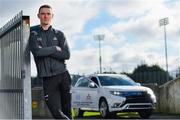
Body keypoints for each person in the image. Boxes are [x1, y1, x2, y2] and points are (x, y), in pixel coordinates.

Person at [29, 4, 72, 119]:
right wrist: (54, 49)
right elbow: (37, 52)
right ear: (38, 16)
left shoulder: (59, 34)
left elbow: (66, 54)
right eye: (43, 14)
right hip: (48, 79)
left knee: (67, 111)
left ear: (52, 16)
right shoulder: (33, 34)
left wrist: (45, 51)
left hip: (63, 76)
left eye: (48, 14)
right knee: (57, 112)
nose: (45, 16)